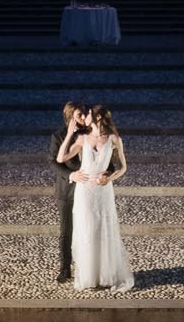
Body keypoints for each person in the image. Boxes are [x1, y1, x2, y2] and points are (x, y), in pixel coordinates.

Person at [58, 104, 134, 291]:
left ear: (99, 118)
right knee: (87, 231)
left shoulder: (114, 139)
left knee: (103, 230)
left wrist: (109, 178)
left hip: (103, 191)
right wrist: (69, 135)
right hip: (85, 191)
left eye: (90, 114)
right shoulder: (82, 138)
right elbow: (61, 158)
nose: (86, 116)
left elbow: (123, 168)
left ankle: (105, 274)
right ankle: (88, 276)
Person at [52, 101, 86, 282]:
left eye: (84, 114)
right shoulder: (58, 136)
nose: (83, 117)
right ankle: (65, 268)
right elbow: (54, 162)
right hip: (67, 191)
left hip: (88, 191)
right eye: (79, 115)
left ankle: (86, 268)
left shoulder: (90, 133)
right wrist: (71, 175)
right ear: (70, 117)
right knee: (66, 231)